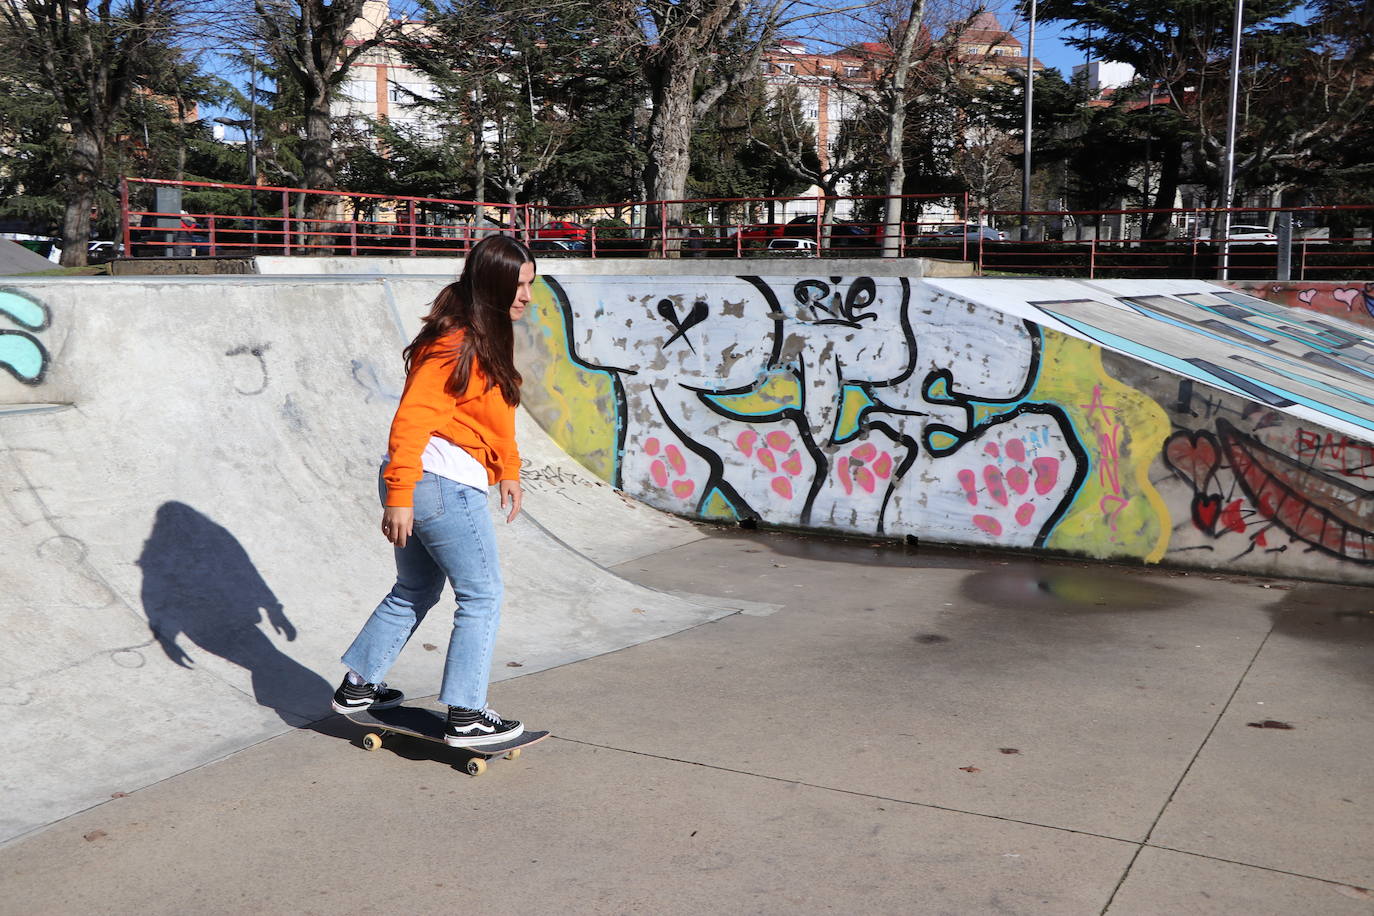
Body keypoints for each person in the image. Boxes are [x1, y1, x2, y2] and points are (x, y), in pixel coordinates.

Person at [331, 235, 534, 747]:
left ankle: (359, 685)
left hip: (430, 481)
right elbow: (412, 419)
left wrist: (508, 467)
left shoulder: (485, 337)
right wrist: (399, 493)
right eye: (518, 286)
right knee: (482, 595)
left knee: (416, 589)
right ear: (491, 286)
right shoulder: (455, 343)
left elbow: (496, 414)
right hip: (436, 484)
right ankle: (467, 713)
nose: (527, 297)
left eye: (531, 285)